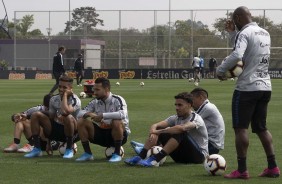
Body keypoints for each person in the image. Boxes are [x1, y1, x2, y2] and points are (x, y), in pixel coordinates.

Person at [216, 6, 280, 179]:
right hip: (265, 86)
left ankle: (242, 170)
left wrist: (220, 70)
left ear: (237, 18)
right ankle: (273, 167)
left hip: (246, 88)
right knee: (261, 128)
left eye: (233, 20)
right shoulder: (265, 33)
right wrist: (231, 34)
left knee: (241, 129)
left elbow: (238, 54)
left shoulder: (244, 33)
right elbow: (247, 50)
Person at [125, 92, 208, 167]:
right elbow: (156, 125)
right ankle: (140, 156)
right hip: (181, 157)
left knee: (180, 131)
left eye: (180, 105)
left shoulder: (196, 118)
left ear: (189, 105)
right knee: (160, 129)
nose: (177, 107)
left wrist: (158, 131)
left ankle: (155, 159)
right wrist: (154, 130)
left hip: (198, 157)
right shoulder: (175, 118)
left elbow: (182, 128)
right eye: (176, 105)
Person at [24, 76, 81, 159]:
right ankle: (37, 149)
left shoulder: (75, 100)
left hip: (73, 132)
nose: (61, 89)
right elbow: (51, 117)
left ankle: (69, 149)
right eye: (60, 86)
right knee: (36, 115)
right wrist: (48, 142)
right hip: (57, 130)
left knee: (67, 117)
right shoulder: (54, 99)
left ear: (70, 88)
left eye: (64, 87)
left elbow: (65, 112)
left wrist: (65, 95)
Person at [75, 77, 130, 162]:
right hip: (101, 134)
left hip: (119, 135)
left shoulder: (117, 99)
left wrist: (103, 116)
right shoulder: (95, 102)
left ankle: (117, 154)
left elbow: (123, 114)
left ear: (106, 89)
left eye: (97, 90)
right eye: (94, 89)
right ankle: (87, 154)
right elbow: (79, 113)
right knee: (81, 121)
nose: (94, 92)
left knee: (117, 121)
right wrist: (88, 113)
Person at [190, 88, 225, 154]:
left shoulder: (207, 107)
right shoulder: (207, 106)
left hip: (211, 145)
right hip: (211, 144)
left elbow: (190, 121)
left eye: (192, 100)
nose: (191, 104)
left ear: (200, 97)